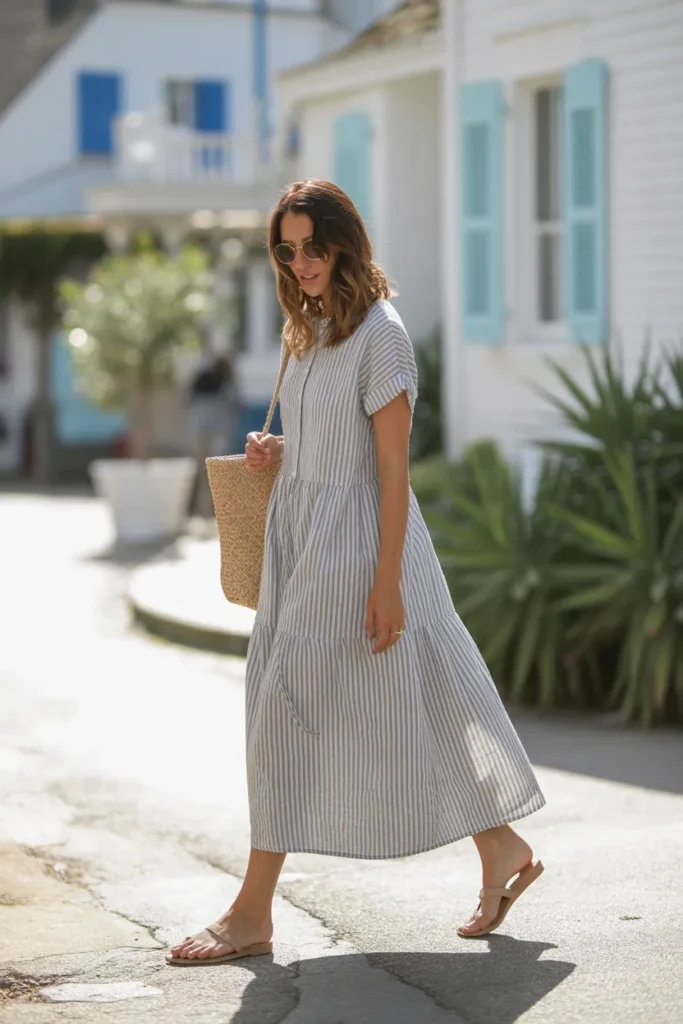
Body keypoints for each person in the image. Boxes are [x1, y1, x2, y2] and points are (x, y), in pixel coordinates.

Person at [167, 179, 546, 966]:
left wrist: (385, 584)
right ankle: (502, 848)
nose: (301, 262)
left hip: (359, 551)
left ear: (345, 242)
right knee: (423, 701)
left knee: (284, 715)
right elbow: (327, 443)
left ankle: (251, 912)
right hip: (301, 543)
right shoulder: (306, 328)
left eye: (313, 246)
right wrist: (279, 452)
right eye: (287, 249)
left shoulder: (383, 337)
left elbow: (390, 473)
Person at [186, 353, 240, 519]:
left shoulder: (201, 381)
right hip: (217, 434)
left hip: (200, 433)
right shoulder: (226, 384)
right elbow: (234, 406)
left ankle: (203, 512)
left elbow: (189, 402)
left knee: (203, 473)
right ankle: (213, 512)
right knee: (216, 474)